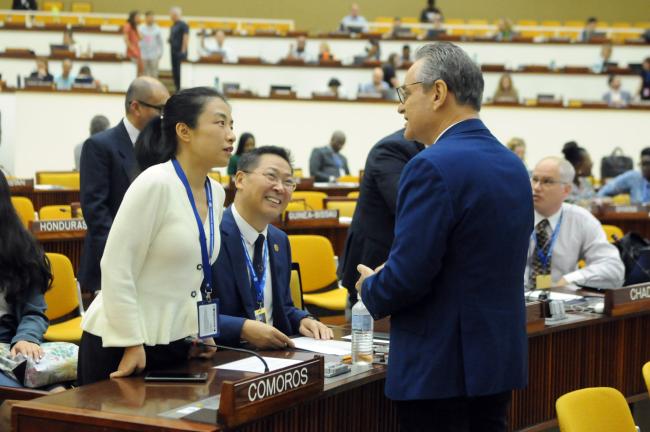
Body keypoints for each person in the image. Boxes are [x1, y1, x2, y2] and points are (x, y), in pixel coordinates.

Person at [355, 42, 531, 432]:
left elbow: (408, 276)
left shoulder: (430, 165)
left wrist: (371, 286)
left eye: (405, 93)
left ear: (437, 93)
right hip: (495, 364)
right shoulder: (513, 165)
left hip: (439, 369)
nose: (400, 106)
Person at [78, 87, 235, 385]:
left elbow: (196, 274)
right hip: (120, 343)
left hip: (177, 343)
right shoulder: (155, 183)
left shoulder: (217, 191)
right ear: (184, 131)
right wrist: (131, 342)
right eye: (220, 123)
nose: (230, 135)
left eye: (231, 125)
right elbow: (116, 267)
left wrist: (203, 330)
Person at [212, 146, 333, 348]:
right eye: (271, 176)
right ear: (240, 179)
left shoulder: (279, 240)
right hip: (225, 359)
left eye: (288, 182)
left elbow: (283, 306)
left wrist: (303, 320)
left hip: (275, 359)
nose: (280, 188)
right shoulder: (211, 235)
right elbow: (190, 316)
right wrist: (242, 328)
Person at [79, 77, 169, 295]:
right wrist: (123, 259)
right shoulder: (99, 145)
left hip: (153, 269)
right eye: (159, 109)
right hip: (110, 266)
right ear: (136, 107)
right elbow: (96, 211)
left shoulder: (164, 146)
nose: (164, 116)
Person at [339, 129, 423, 307]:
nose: (401, 108)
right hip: (376, 256)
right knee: (366, 327)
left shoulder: (433, 149)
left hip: (404, 265)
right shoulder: (392, 149)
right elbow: (407, 204)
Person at [527, 157, 624, 289]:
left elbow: (613, 268)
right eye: (534, 179)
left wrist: (570, 279)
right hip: (514, 299)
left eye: (547, 182)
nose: (536, 188)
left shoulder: (581, 219)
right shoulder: (511, 215)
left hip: (563, 300)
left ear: (566, 190)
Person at [0, 170, 51, 388]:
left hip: (10, 341)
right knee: (17, 401)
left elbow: (34, 312)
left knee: (55, 394)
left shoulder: (20, 249)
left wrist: (26, 338)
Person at [169, 7, 189, 91]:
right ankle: (177, 88)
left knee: (180, 72)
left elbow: (185, 37)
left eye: (171, 15)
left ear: (175, 15)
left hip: (180, 53)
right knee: (175, 72)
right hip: (173, 52)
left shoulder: (183, 25)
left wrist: (183, 51)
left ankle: (181, 89)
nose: (170, 17)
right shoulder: (173, 26)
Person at [139, 11, 163, 78]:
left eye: (152, 18)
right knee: (144, 73)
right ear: (146, 18)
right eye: (149, 17)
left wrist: (160, 53)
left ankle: (154, 88)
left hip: (154, 55)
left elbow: (160, 42)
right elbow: (138, 41)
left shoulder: (157, 29)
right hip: (143, 54)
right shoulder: (141, 28)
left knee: (154, 73)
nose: (151, 19)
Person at [124, 11, 143, 77]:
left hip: (137, 51)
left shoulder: (135, 27)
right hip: (132, 52)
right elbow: (126, 40)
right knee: (133, 71)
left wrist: (137, 27)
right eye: (137, 17)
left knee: (140, 70)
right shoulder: (128, 25)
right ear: (133, 18)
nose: (139, 19)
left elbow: (141, 38)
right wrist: (132, 48)